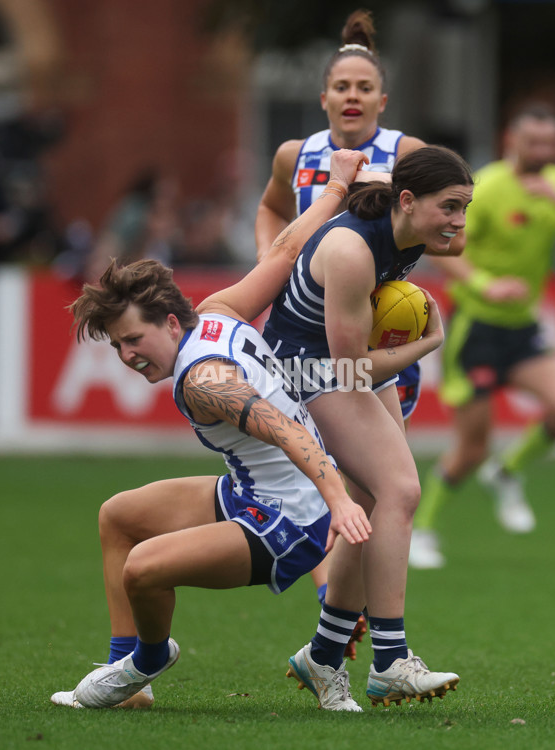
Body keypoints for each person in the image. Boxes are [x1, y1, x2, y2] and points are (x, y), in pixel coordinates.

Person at [50, 151, 373, 710]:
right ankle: (129, 678)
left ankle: (146, 662)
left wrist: (338, 505)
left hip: (284, 524)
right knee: (118, 517)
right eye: (118, 346)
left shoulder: (202, 381)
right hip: (253, 492)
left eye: (134, 340)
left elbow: (285, 433)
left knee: (143, 569)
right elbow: (284, 249)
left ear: (170, 323)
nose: (127, 356)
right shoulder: (219, 310)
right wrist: (336, 187)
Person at [254, 7, 465, 655]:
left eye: (363, 87)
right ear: (323, 97)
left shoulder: (406, 157)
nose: (351, 96)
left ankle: (333, 636)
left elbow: (448, 229)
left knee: (378, 494)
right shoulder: (298, 154)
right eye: (340, 87)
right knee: (377, 492)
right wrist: (273, 263)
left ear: (382, 99)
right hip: (320, 347)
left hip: (374, 344)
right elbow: (270, 209)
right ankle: (354, 637)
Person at [259, 144, 473, 711]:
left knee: (375, 498)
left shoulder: (408, 224)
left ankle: (324, 657)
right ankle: (390, 660)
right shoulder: (352, 248)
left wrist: (441, 214)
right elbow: (349, 369)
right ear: (406, 201)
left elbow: (444, 226)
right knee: (401, 491)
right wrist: (427, 343)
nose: (459, 222)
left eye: (466, 208)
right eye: (451, 207)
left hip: (346, 360)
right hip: (307, 368)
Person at [409, 104, 555, 570]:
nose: (543, 151)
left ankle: (507, 473)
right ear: (513, 140)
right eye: (534, 142)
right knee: (472, 447)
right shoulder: (486, 189)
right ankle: (420, 529)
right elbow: (437, 244)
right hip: (477, 325)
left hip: (523, 328)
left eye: (551, 143)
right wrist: (486, 283)